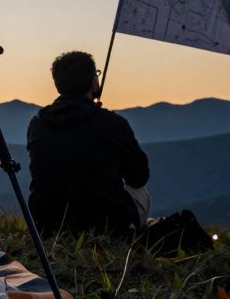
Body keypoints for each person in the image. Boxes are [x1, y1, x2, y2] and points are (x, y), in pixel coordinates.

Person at [26, 51, 150, 238]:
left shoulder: (37, 124)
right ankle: (131, 233)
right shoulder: (112, 123)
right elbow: (139, 177)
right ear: (94, 82)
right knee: (141, 192)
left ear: (57, 84)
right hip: (106, 225)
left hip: (49, 224)